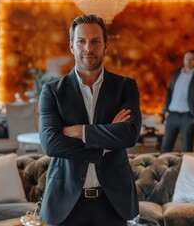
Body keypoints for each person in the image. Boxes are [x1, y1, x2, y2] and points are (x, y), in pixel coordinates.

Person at [38, 14, 141, 226]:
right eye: (81, 41)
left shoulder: (125, 87)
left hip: (113, 201)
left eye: (95, 41)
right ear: (71, 46)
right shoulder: (52, 92)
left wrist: (80, 131)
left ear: (106, 45)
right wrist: (104, 143)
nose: (88, 48)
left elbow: (129, 135)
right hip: (66, 203)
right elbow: (51, 144)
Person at [160, 50, 194, 153]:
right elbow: (169, 92)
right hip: (172, 116)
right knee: (165, 148)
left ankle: (187, 169)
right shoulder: (176, 73)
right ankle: (162, 169)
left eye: (192, 59)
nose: (189, 61)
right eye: (187, 58)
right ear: (183, 59)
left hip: (188, 118)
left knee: (187, 150)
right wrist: (166, 111)